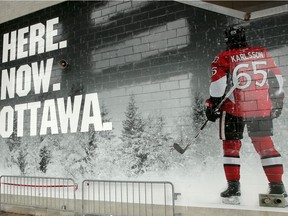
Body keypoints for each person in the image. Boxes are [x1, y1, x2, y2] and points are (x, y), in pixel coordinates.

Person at [205, 25, 287, 201]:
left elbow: (218, 88)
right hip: (260, 108)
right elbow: (278, 80)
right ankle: (277, 186)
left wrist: (211, 105)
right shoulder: (262, 53)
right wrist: (277, 102)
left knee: (231, 146)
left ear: (227, 39)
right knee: (265, 145)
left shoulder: (223, 57)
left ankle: (234, 187)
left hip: (234, 109)